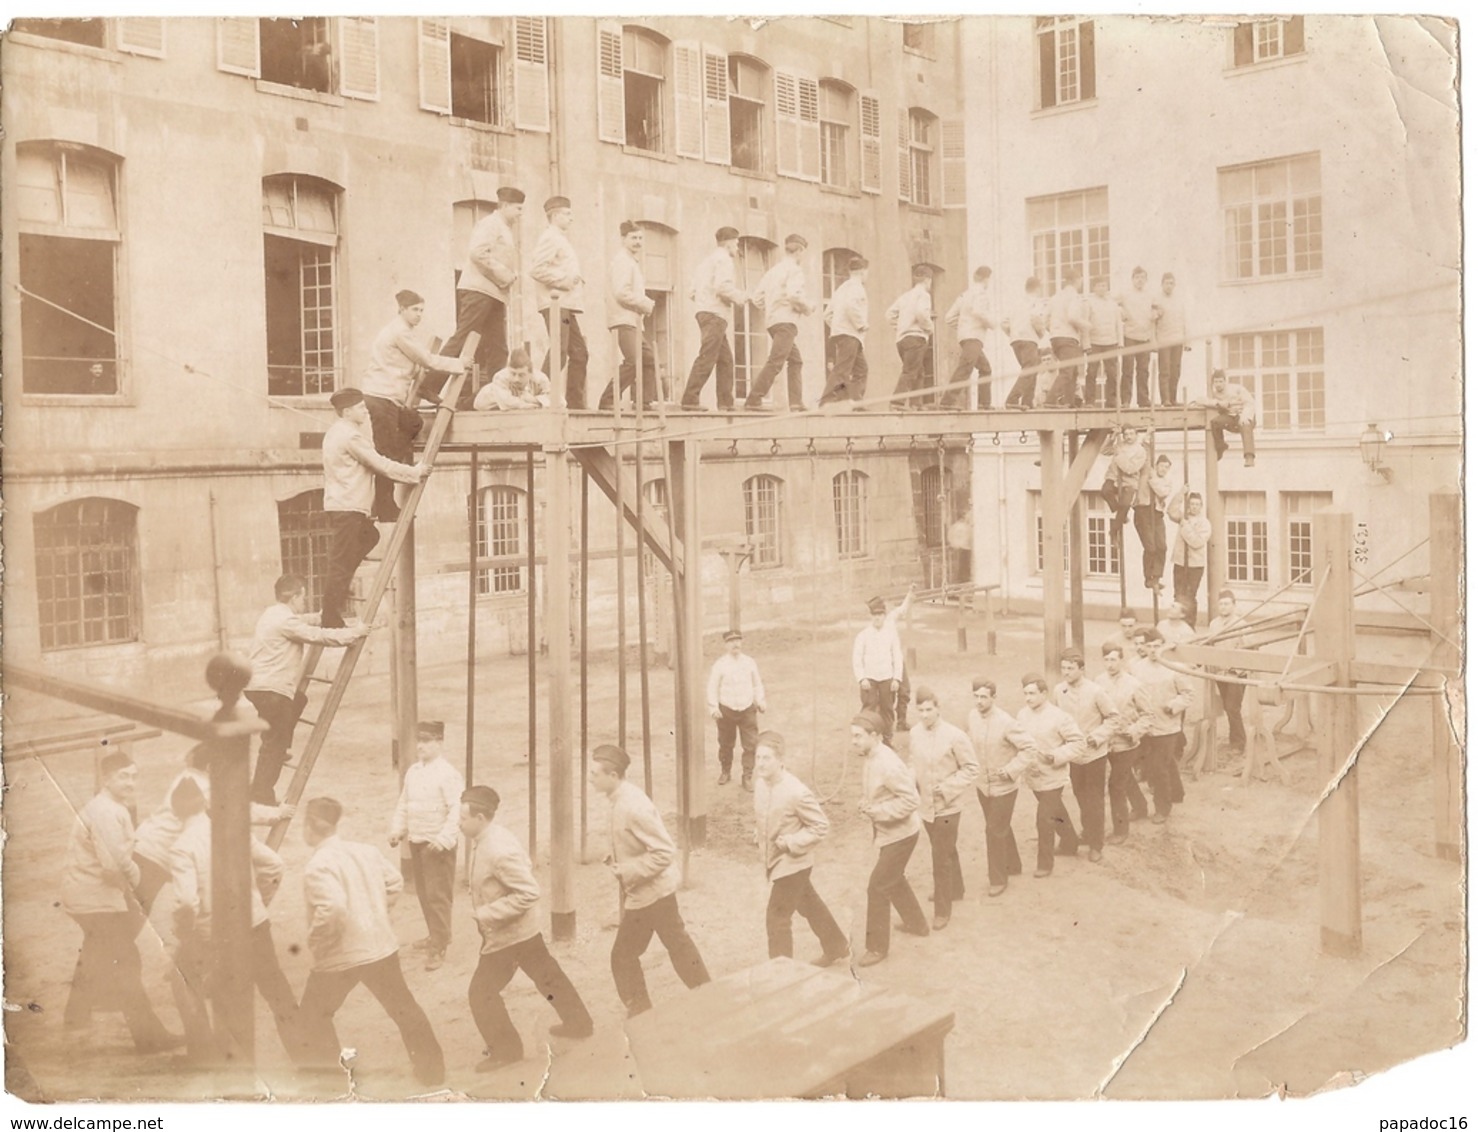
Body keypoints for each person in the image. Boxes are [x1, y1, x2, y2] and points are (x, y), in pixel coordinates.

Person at [297, 797, 445, 1088]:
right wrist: (376, 914)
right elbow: (394, 882)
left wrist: (317, 940)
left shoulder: (317, 866)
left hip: (341, 955)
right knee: (403, 1007)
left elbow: (333, 908)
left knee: (313, 1015)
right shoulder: (364, 851)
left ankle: (332, 1080)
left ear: (309, 827)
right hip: (380, 946)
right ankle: (432, 1072)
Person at [461, 785, 594, 1072]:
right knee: (548, 977)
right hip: (521, 931)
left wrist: (487, 913)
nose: (459, 823)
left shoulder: (496, 848)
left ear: (481, 817)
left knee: (480, 993)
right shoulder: (490, 838)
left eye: (463, 818)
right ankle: (579, 1023)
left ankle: (507, 1051)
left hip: (509, 935)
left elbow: (529, 892)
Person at [168, 779, 300, 1065]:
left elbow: (186, 902)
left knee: (190, 984)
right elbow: (274, 866)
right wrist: (259, 902)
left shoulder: (181, 847)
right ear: (204, 805)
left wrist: (186, 933)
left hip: (215, 933)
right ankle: (311, 1058)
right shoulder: (232, 829)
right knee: (277, 990)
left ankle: (210, 1059)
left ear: (176, 813)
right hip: (253, 922)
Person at [60, 753, 180, 1053]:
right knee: (126, 960)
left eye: (133, 776)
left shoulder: (112, 807)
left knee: (96, 949)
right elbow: (114, 866)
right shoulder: (106, 812)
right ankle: (150, 1038)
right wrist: (138, 881)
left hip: (86, 895)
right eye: (123, 776)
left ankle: (76, 1015)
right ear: (106, 779)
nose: (130, 782)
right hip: (93, 898)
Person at [591, 745, 710, 1015]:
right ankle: (706, 993)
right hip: (649, 891)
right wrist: (615, 856)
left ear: (613, 775)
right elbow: (635, 841)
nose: (590, 778)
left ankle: (642, 1008)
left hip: (652, 892)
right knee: (677, 943)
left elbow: (664, 851)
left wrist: (628, 871)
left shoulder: (633, 806)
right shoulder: (616, 799)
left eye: (594, 773)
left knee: (623, 955)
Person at [245, 574, 369, 804]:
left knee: (298, 701)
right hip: (272, 689)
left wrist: (322, 616)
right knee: (274, 743)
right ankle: (261, 794)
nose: (304, 601)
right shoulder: (286, 622)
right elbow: (317, 636)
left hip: (259, 686)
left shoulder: (272, 613)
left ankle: (278, 754)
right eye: (303, 596)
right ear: (294, 597)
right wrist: (354, 633)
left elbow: (302, 620)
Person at [319, 387, 429, 629]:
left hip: (344, 505)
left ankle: (337, 593)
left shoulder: (337, 432)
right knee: (341, 562)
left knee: (369, 537)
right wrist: (415, 472)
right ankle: (329, 616)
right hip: (348, 507)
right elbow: (380, 464)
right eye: (360, 407)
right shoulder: (351, 437)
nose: (365, 410)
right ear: (347, 412)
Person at [361, 290, 465, 521]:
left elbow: (416, 371)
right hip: (380, 398)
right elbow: (426, 360)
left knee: (413, 422)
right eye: (415, 310)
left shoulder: (404, 332)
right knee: (385, 453)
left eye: (421, 310)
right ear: (402, 310)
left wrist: (434, 397)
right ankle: (385, 508)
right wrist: (460, 364)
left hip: (391, 400)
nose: (419, 315)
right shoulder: (399, 332)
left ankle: (402, 464)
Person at [751, 732, 849, 966]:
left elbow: (820, 826)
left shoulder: (796, 791)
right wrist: (760, 834)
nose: (761, 764)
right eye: (758, 758)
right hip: (774, 861)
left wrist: (792, 842)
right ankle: (837, 945)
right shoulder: (760, 785)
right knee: (808, 903)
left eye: (767, 758)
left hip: (794, 863)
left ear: (781, 760)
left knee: (777, 917)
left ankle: (782, 973)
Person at [851, 711, 928, 967]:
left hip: (902, 834)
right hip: (889, 832)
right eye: (853, 736)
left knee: (878, 886)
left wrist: (879, 812)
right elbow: (881, 792)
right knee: (893, 879)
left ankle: (877, 947)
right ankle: (918, 925)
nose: (854, 741)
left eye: (858, 737)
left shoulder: (888, 763)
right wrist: (868, 803)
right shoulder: (871, 756)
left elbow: (911, 800)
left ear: (875, 736)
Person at [389, 721, 465, 971]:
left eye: (427, 741)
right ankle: (435, 934)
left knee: (437, 895)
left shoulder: (448, 774)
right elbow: (404, 803)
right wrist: (397, 830)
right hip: (417, 841)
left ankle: (439, 946)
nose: (421, 746)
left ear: (439, 744)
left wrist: (443, 840)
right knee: (424, 893)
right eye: (419, 741)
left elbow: (457, 810)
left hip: (437, 845)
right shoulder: (413, 772)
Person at [445, 185, 523, 404]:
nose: (520, 214)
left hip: (494, 294)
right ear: (505, 206)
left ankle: (496, 394)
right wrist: (505, 275)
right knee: (463, 337)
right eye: (518, 209)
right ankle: (429, 384)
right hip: (479, 291)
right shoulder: (490, 224)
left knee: (498, 346)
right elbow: (478, 252)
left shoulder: (504, 227)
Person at [908, 687, 978, 929]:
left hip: (948, 808)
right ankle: (955, 889)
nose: (925, 715)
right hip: (926, 807)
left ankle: (942, 909)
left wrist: (948, 788)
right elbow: (912, 761)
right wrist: (910, 783)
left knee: (940, 857)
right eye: (921, 710)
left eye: (929, 709)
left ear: (938, 709)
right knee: (945, 849)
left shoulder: (955, 736)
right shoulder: (915, 733)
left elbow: (971, 768)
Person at [966, 678, 1034, 897]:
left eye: (984, 697)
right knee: (998, 826)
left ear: (994, 698)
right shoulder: (972, 717)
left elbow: (1030, 748)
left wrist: (1011, 769)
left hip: (1005, 787)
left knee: (994, 829)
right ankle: (1013, 865)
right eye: (976, 696)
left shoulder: (1006, 722)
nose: (979, 701)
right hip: (983, 786)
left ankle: (998, 879)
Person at [1014, 673, 1086, 877]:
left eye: (1032, 693)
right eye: (1025, 693)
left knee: (1044, 818)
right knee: (1056, 811)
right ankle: (1070, 842)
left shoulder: (1059, 717)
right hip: (1033, 775)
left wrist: (1056, 756)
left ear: (1044, 693)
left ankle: (1045, 864)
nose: (1028, 698)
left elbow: (1078, 743)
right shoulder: (1022, 715)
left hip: (1053, 776)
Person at [1054, 650, 1118, 863]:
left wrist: (1097, 737)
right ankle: (1088, 831)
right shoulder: (1059, 690)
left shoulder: (1096, 691)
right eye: (1063, 668)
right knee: (1081, 796)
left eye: (1071, 668)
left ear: (1082, 669)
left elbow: (1113, 718)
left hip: (1094, 755)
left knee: (1094, 800)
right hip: (1073, 756)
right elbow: (1055, 719)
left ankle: (1096, 844)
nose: (1066, 673)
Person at [530, 195, 589, 409]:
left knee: (580, 353)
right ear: (554, 215)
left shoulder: (560, 239)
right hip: (556, 304)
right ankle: (538, 396)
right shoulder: (550, 238)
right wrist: (564, 281)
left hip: (567, 306)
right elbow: (537, 269)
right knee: (559, 352)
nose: (571, 218)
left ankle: (575, 404)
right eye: (567, 214)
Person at [745, 233, 814, 412]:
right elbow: (794, 295)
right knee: (776, 361)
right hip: (786, 322)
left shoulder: (773, 271)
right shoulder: (795, 270)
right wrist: (807, 308)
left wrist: (772, 308)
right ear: (799, 251)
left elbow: (757, 298)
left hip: (773, 322)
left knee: (796, 361)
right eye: (803, 252)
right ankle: (754, 399)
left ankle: (796, 402)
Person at [1130, 629, 1193, 823]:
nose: (1153, 650)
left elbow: (1188, 694)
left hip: (1167, 726)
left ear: (1163, 646)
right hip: (1145, 726)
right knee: (1158, 763)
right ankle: (1176, 793)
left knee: (1158, 767)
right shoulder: (1136, 668)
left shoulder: (1174, 667)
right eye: (1149, 646)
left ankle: (1162, 808)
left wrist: (1174, 706)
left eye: (1157, 646)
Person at [681, 226, 745, 411]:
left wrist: (706, 302)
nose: (737, 247)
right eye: (737, 243)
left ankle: (726, 403)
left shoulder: (705, 262)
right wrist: (740, 297)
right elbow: (723, 288)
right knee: (707, 357)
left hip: (705, 312)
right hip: (715, 315)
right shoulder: (724, 260)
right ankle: (689, 399)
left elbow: (692, 291)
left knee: (726, 360)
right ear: (729, 242)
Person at [602, 220, 660, 410]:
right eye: (633, 238)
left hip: (632, 321)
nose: (638, 242)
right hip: (622, 320)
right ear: (623, 239)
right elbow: (621, 293)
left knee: (649, 359)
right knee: (634, 361)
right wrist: (645, 304)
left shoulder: (631, 262)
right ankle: (608, 399)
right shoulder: (622, 261)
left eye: (640, 238)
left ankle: (642, 401)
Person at [1098, 642, 1150, 843]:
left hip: (1126, 743)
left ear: (1122, 660)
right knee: (1125, 777)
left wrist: (1134, 731)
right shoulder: (1098, 681)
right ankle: (1140, 806)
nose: (1110, 664)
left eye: (1114, 659)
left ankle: (1121, 831)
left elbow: (1148, 715)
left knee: (1115, 785)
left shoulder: (1134, 685)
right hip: (1106, 741)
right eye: (1106, 659)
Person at [706, 628, 767, 789]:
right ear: (725, 645)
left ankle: (747, 776)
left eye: (738, 641)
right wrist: (713, 707)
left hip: (747, 709)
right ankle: (725, 771)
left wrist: (760, 700)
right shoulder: (720, 664)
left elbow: (757, 684)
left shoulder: (749, 662)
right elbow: (712, 687)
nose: (735, 644)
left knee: (751, 744)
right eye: (731, 641)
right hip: (726, 709)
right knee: (726, 744)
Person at [1202, 589, 1250, 761]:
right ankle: (1235, 739)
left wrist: (1237, 666)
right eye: (1221, 604)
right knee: (1227, 707)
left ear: (1234, 605)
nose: (1223, 607)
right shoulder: (1214, 624)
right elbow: (1210, 645)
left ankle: (1239, 743)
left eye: (1227, 603)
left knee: (1232, 707)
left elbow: (1251, 649)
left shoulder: (1241, 624)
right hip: (1220, 672)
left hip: (1236, 673)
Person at [818, 256, 870, 408]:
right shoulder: (857, 287)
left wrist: (837, 327)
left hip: (843, 334)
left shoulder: (841, 289)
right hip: (851, 335)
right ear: (862, 271)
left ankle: (854, 402)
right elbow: (850, 306)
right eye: (867, 272)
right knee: (842, 369)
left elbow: (827, 315)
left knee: (861, 369)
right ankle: (826, 401)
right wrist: (861, 324)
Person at [853, 596, 904, 744]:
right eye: (874, 615)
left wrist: (896, 678)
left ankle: (887, 740)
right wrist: (862, 678)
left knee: (887, 709)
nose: (877, 618)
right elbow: (857, 659)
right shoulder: (863, 636)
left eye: (880, 615)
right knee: (868, 710)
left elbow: (897, 657)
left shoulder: (891, 634)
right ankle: (865, 741)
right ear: (871, 616)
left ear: (884, 616)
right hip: (869, 680)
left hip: (887, 678)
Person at [943, 266, 995, 409]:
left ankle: (984, 403)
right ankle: (947, 402)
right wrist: (992, 324)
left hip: (966, 337)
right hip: (974, 337)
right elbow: (979, 311)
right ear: (986, 279)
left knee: (985, 369)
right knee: (965, 368)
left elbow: (949, 317)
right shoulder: (981, 294)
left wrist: (962, 327)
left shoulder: (965, 295)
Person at [887, 264, 936, 410]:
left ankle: (916, 404)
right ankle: (897, 403)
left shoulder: (906, 296)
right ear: (927, 279)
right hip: (916, 338)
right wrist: (929, 328)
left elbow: (889, 314)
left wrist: (901, 326)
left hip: (902, 340)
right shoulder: (924, 295)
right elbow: (921, 313)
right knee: (910, 371)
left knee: (919, 371)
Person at [1046, 268, 1090, 406]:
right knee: (1067, 371)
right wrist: (1087, 325)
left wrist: (1054, 330)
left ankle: (1069, 402)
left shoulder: (1055, 297)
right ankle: (1050, 400)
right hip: (1068, 337)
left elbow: (1046, 319)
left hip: (1056, 338)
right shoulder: (1074, 297)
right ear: (1077, 280)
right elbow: (1073, 317)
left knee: (1072, 372)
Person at [1002, 276, 1047, 409]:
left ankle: (1027, 402)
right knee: (1030, 369)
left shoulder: (1016, 302)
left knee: (1029, 370)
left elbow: (1004, 323)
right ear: (1037, 288)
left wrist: (1013, 334)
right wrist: (1041, 333)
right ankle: (1012, 399)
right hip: (1029, 339)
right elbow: (1036, 319)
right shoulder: (1035, 302)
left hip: (1015, 341)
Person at [1170, 490, 1212, 628]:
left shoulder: (1204, 523)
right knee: (1178, 594)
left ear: (1201, 506)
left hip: (1195, 565)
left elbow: (1196, 542)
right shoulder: (1183, 517)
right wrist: (1181, 493)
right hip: (1180, 563)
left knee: (1189, 596)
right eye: (1192, 504)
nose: (1194, 507)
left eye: (1197, 504)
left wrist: (1185, 524)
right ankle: (1176, 624)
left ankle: (1190, 626)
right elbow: (1170, 511)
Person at [1198, 369, 1258, 467]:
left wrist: (1245, 415)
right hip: (1230, 417)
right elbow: (1199, 400)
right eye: (1216, 382)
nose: (1218, 384)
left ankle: (1249, 457)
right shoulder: (1213, 393)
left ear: (1225, 381)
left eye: (1221, 381)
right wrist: (1217, 403)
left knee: (1245, 424)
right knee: (1215, 422)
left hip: (1244, 414)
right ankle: (1221, 446)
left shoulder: (1237, 389)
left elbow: (1250, 403)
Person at [1134, 454, 1173, 594]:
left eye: (1167, 467)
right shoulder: (1146, 473)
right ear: (1156, 465)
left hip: (1156, 514)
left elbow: (1162, 492)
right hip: (1143, 511)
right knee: (1150, 547)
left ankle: (1156, 577)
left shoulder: (1166, 481)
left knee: (1162, 546)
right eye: (1162, 466)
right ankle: (1148, 578)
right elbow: (1144, 456)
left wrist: (1153, 480)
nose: (1164, 469)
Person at [1117, 267, 1156, 407]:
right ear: (1132, 279)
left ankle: (1143, 400)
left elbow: (1158, 308)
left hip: (1144, 337)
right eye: (1137, 277)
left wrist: (1156, 313)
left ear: (1146, 280)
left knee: (1143, 370)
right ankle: (1126, 400)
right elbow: (1113, 304)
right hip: (1129, 336)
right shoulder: (1125, 294)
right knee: (1127, 369)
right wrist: (1121, 311)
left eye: (1143, 277)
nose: (1140, 280)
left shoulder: (1149, 295)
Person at [1083, 276, 1123, 407]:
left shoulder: (1113, 304)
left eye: (1104, 285)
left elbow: (1118, 323)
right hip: (1094, 343)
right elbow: (1085, 323)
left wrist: (1120, 342)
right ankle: (1089, 401)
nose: (1102, 288)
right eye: (1099, 285)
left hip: (1111, 342)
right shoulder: (1089, 303)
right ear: (1094, 288)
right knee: (1092, 372)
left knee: (1112, 373)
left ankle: (1112, 401)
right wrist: (1086, 343)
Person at [472, 348, 552, 411]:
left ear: (530, 373)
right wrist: (526, 403)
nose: (516, 379)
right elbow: (507, 403)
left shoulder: (540, 378)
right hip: (479, 402)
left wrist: (534, 400)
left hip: (501, 411)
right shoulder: (500, 377)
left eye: (521, 375)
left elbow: (560, 401)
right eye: (513, 374)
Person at [1153, 272, 1189, 405]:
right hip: (1164, 340)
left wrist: (1186, 340)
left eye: (1171, 283)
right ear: (1162, 284)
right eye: (1167, 283)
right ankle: (1165, 399)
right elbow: (1153, 321)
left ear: (1174, 285)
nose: (1169, 286)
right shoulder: (1156, 300)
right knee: (1165, 370)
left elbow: (1183, 320)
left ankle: (1173, 398)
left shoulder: (1179, 300)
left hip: (1177, 340)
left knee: (1176, 370)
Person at [1101, 425, 1147, 529]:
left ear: (1136, 435)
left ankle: (1115, 529)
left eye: (1131, 434)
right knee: (1105, 491)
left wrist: (1119, 457)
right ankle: (1119, 511)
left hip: (1129, 481)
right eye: (1126, 434)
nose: (1128, 437)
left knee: (1125, 504)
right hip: (1114, 476)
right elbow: (1104, 451)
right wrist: (1113, 437)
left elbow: (1131, 469)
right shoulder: (1119, 445)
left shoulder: (1140, 451)